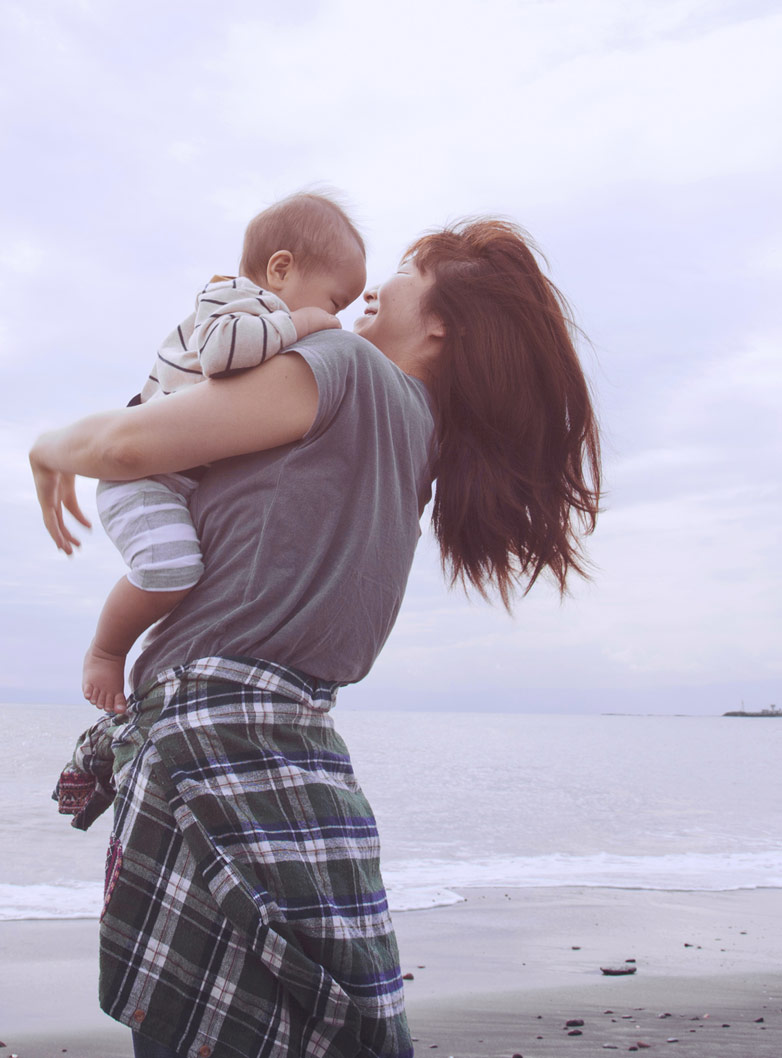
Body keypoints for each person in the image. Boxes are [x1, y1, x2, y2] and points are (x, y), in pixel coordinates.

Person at [30, 218, 601, 1058]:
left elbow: (125, 443)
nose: (376, 288)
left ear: (442, 325)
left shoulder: (348, 369)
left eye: (407, 270)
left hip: (212, 749)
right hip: (302, 759)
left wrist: (47, 449)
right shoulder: (422, 453)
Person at [84, 192, 367, 712]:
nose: (337, 320)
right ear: (280, 269)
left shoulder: (264, 320)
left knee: (198, 576)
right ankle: (106, 651)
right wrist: (304, 324)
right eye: (335, 302)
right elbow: (222, 355)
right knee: (171, 573)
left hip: (179, 479)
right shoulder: (230, 297)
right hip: (145, 478)